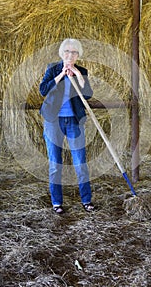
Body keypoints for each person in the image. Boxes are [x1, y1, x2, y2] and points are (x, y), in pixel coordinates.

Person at [39, 38, 95, 214]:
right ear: (62, 54)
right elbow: (43, 90)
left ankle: (86, 200)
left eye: (74, 52)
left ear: (78, 55)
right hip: (53, 121)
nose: (70, 55)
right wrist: (61, 75)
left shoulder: (82, 71)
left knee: (80, 163)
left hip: (74, 121)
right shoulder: (52, 68)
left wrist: (78, 76)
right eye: (67, 52)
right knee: (55, 163)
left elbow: (87, 95)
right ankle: (57, 202)